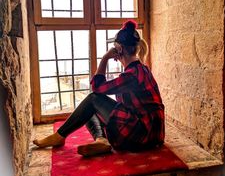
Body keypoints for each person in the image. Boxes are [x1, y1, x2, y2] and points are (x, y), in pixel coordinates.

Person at [33, 20, 165, 156]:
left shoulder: (132, 75)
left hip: (142, 136)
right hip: (153, 133)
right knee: (89, 110)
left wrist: (105, 58)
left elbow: (97, 88)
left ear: (119, 49)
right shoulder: (142, 69)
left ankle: (60, 136)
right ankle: (102, 140)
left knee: (93, 99)